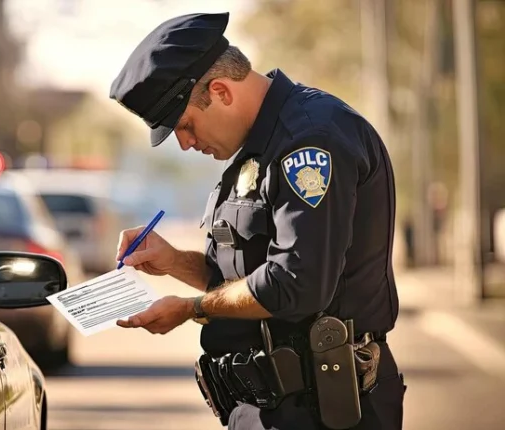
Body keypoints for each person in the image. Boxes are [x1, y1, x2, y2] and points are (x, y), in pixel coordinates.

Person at [109, 11, 405, 430]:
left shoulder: (311, 140)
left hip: (327, 407)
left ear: (220, 91)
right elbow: (243, 278)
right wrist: (173, 261)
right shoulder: (257, 148)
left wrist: (191, 309)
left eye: (185, 125)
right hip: (273, 405)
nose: (186, 143)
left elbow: (294, 285)